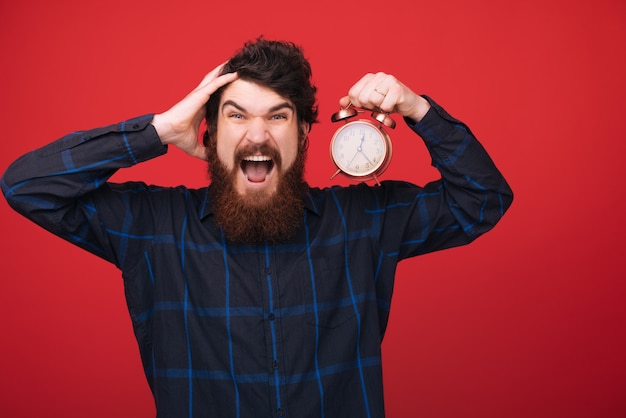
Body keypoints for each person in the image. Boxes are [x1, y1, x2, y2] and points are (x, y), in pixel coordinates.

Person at [1, 38, 513, 418]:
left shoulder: (364, 223)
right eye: (237, 116)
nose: (258, 134)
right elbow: (27, 185)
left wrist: (416, 107)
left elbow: (482, 200)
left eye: (279, 116)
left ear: (305, 133)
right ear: (211, 132)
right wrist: (157, 130)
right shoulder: (153, 226)